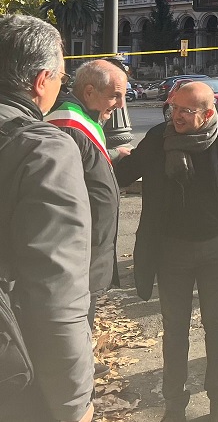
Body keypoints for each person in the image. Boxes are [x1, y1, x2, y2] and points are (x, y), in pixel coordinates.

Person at [115, 81, 218, 422]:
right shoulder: (158, 138)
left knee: (217, 325)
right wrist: (114, 153)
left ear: (208, 114)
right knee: (175, 329)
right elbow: (122, 175)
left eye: (186, 111)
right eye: (174, 108)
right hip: (171, 252)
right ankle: (174, 405)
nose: (177, 117)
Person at [0, 15, 94, 422]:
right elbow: (56, 289)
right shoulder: (42, 149)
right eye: (61, 76)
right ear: (42, 80)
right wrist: (74, 404)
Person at [45, 59, 128, 376]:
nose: (120, 105)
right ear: (89, 91)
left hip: (87, 248)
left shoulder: (83, 120)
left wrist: (115, 156)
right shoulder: (68, 125)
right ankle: (74, 374)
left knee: (84, 311)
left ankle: (80, 366)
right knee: (75, 315)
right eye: (115, 95)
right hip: (77, 250)